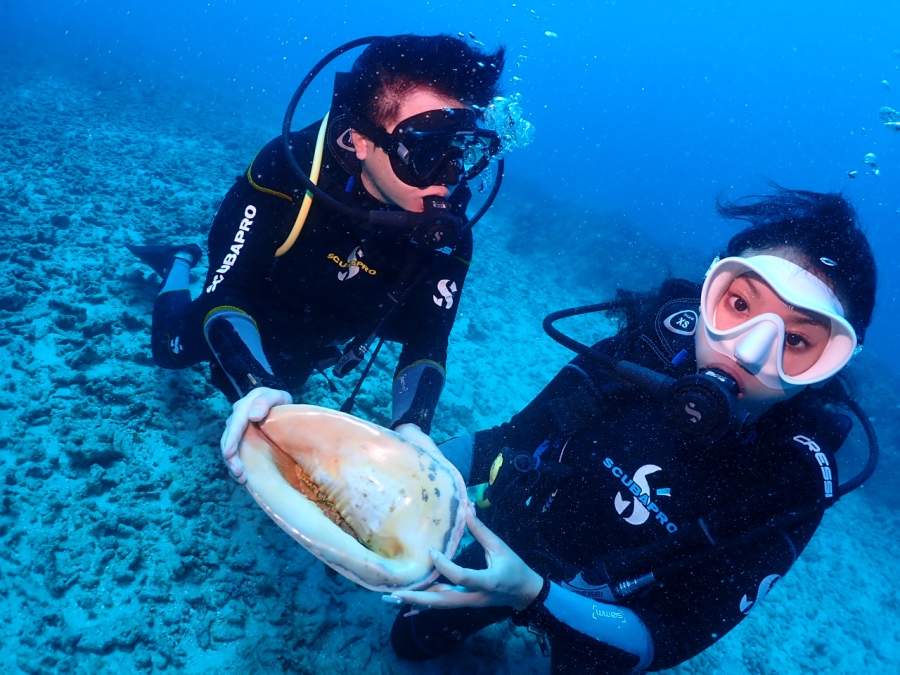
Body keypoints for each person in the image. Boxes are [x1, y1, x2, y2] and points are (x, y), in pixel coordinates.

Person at [220, 185, 878, 672]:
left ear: (829, 365)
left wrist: (534, 596)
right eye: (739, 306)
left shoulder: (793, 475)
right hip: (514, 537)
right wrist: (388, 460)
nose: (752, 352)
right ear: (710, 295)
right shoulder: (642, 349)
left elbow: (665, 637)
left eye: (798, 341)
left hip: (599, 612)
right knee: (409, 645)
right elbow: (510, 439)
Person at [127, 35, 506, 477]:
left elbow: (428, 339)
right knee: (169, 350)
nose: (446, 179)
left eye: (458, 152)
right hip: (248, 306)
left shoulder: (447, 232)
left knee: (287, 385)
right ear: (362, 140)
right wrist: (256, 383)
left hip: (317, 331)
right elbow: (227, 287)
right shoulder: (287, 171)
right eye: (423, 151)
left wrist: (413, 428)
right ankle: (177, 261)